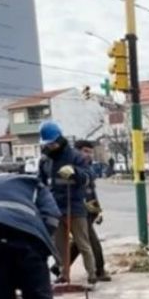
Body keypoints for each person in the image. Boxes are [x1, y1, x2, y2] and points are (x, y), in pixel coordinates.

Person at [36, 121, 97, 284]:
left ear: (59, 139)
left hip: (75, 206)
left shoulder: (75, 156)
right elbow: (40, 183)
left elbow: (89, 177)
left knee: (83, 243)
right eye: (48, 144)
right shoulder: (45, 160)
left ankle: (92, 274)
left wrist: (75, 174)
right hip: (55, 208)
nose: (51, 147)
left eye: (53, 143)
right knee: (60, 246)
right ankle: (64, 274)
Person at [68, 140, 110, 281]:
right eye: (85, 151)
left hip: (88, 212)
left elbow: (91, 192)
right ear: (77, 151)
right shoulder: (72, 169)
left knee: (81, 243)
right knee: (92, 242)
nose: (89, 155)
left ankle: (59, 267)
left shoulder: (88, 168)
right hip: (78, 211)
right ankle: (99, 270)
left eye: (90, 152)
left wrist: (97, 211)